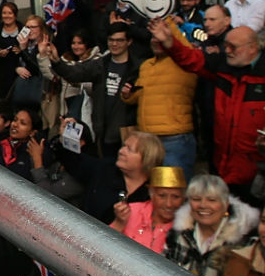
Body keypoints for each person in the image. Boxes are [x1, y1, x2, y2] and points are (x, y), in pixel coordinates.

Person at [153, 18, 265, 201]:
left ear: (252, 48)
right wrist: (169, 42)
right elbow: (191, 59)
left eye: (233, 47)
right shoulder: (222, 65)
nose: (226, 50)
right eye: (226, 45)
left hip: (256, 171)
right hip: (222, 164)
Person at [50, 25, 141, 158]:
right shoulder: (101, 64)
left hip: (127, 133)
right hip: (103, 131)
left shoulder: (137, 68)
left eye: (120, 40)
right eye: (111, 40)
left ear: (129, 42)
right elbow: (75, 73)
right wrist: (56, 61)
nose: (114, 44)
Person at [121, 30, 197, 173]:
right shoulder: (146, 65)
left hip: (174, 139)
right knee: (154, 189)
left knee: (173, 189)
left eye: (160, 38)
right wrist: (128, 95)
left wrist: (163, 13)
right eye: (153, 37)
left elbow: (185, 46)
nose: (155, 41)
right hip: (148, 139)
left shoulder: (183, 62)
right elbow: (140, 95)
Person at [165, 174, 260, 276]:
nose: (203, 205)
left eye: (212, 200)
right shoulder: (177, 235)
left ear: (226, 205)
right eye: (196, 199)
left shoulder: (242, 243)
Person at [110, 165, 185, 253]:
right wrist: (119, 223)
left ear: (184, 198)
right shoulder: (131, 211)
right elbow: (103, 245)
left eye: (176, 197)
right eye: (162, 196)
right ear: (151, 194)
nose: (169, 204)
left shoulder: (185, 227)